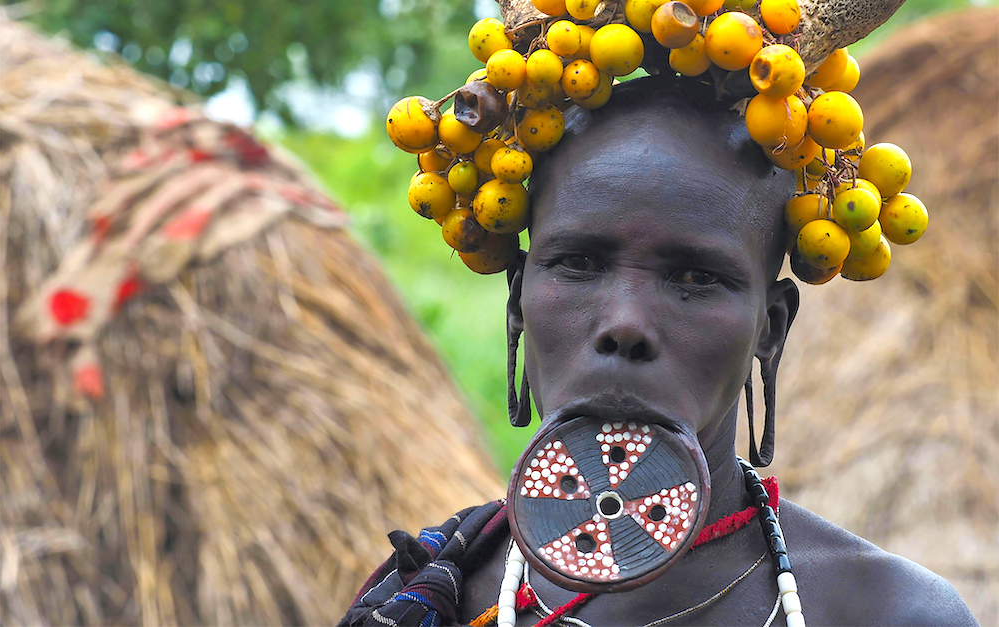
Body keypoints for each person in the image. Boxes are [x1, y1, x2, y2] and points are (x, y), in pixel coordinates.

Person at [340, 76, 978, 626]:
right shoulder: (427, 595)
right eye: (580, 264)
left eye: (697, 279)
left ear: (771, 326)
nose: (625, 324)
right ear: (519, 303)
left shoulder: (886, 612)